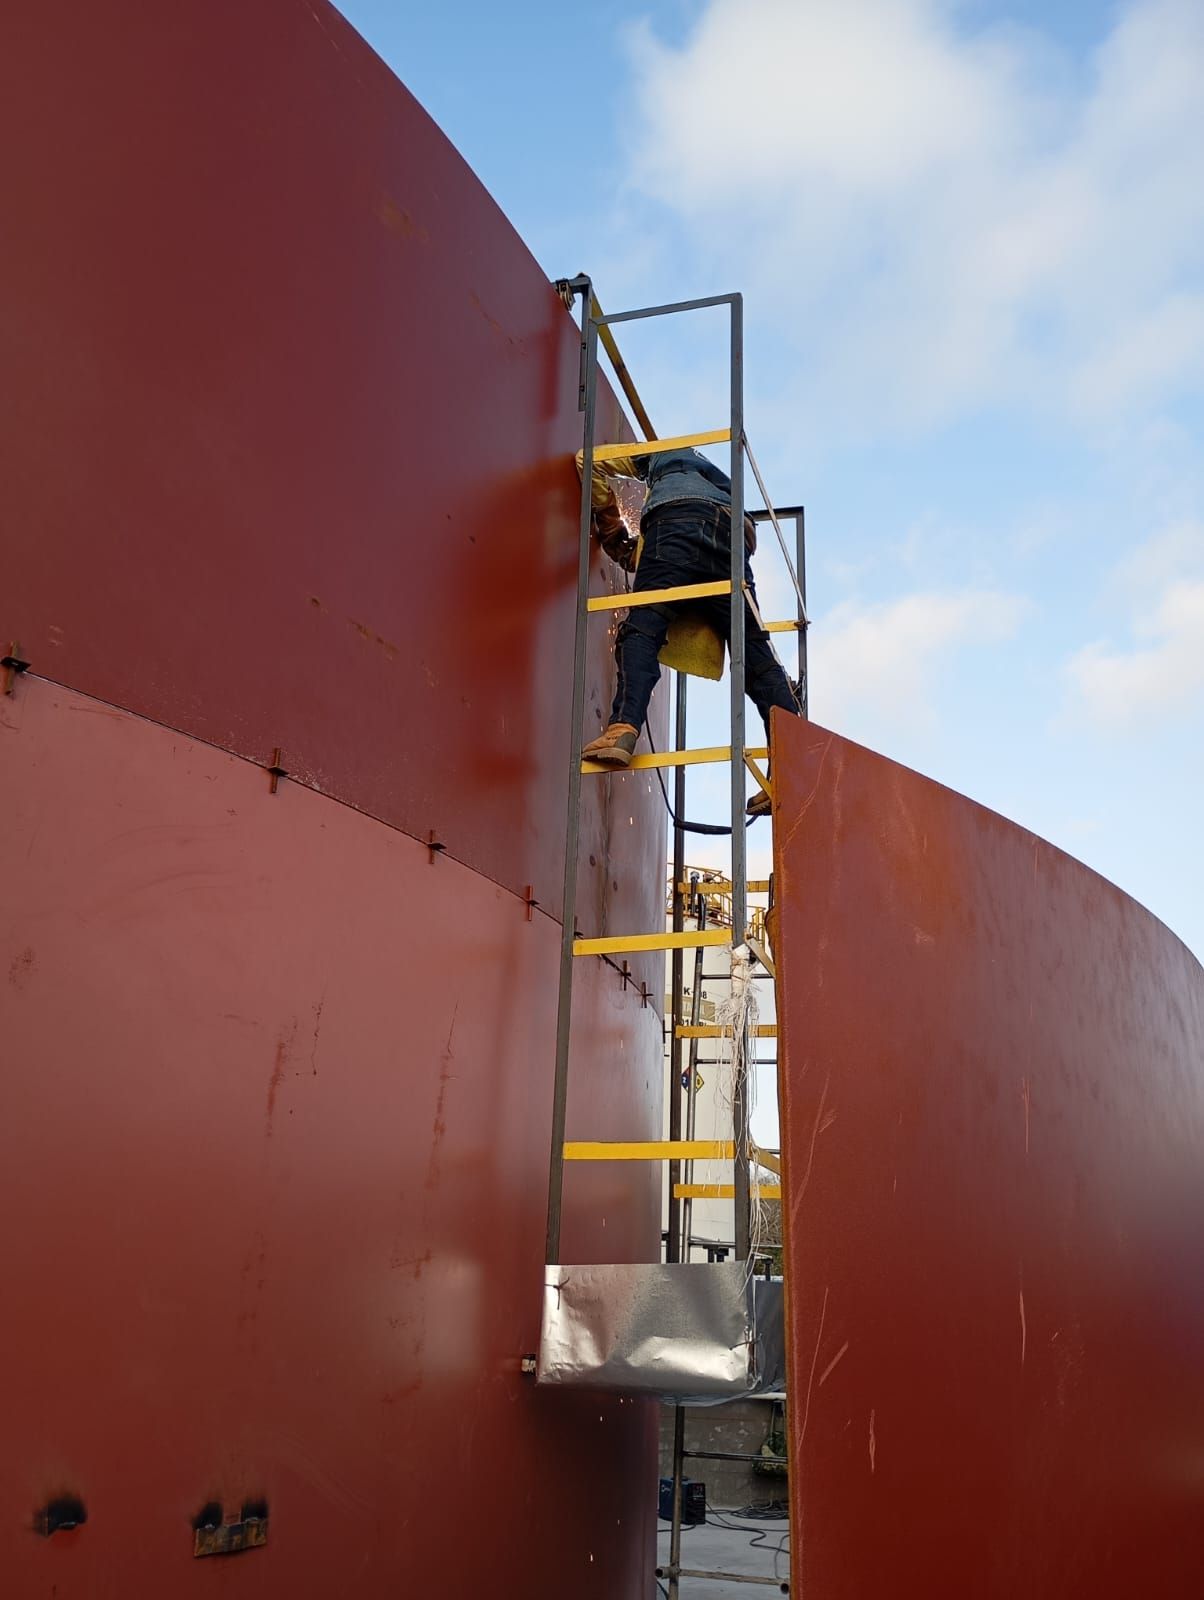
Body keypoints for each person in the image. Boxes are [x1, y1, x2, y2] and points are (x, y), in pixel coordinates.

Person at [577, 444, 800, 815]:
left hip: (676, 521)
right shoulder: (719, 480)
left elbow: (588, 461)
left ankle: (622, 728)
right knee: (756, 656)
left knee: (642, 629)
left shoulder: (656, 456)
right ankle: (793, 764)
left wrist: (611, 524)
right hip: (734, 538)